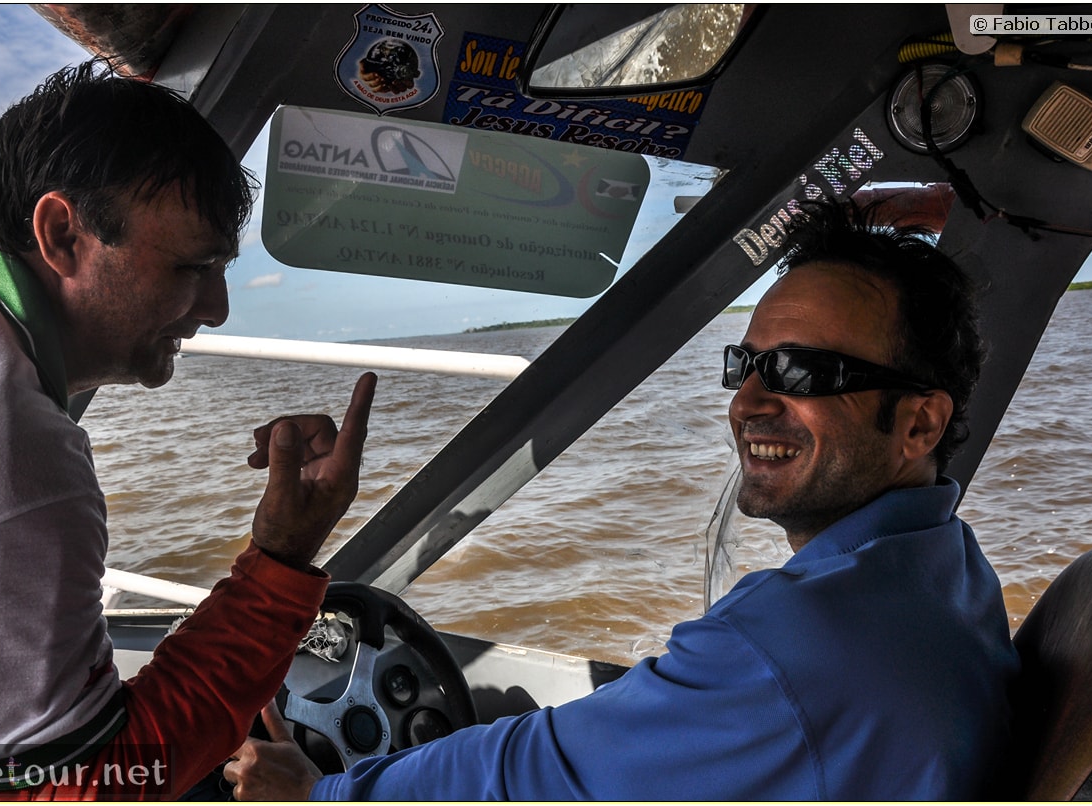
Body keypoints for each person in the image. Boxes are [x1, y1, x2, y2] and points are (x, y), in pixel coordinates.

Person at [223, 199, 1021, 800]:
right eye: (744, 364)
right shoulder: (946, 567)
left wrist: (319, 792)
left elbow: (534, 774)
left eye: (801, 374)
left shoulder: (796, 641)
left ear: (918, 424)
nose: (746, 404)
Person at [0, 60, 377, 800]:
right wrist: (282, 559)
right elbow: (78, 787)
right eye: (193, 267)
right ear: (63, 233)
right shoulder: (13, 462)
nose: (218, 308)